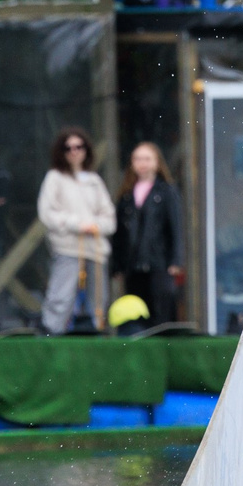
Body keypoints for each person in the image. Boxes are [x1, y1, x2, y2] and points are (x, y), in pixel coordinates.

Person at [36, 126, 113, 334]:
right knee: (60, 298)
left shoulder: (95, 181)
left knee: (98, 301)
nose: (74, 151)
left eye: (78, 147)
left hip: (95, 250)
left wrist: (94, 226)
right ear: (61, 152)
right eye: (68, 148)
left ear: (86, 150)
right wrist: (77, 224)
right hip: (68, 248)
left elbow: (109, 219)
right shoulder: (54, 178)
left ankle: (94, 336)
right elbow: (47, 213)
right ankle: (52, 334)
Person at [113, 142, 183, 331]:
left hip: (159, 262)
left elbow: (175, 227)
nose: (142, 163)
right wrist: (117, 264)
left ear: (157, 162)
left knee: (161, 308)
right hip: (133, 265)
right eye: (137, 159)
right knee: (136, 311)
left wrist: (175, 260)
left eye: (147, 158)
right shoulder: (126, 195)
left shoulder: (167, 191)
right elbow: (119, 233)